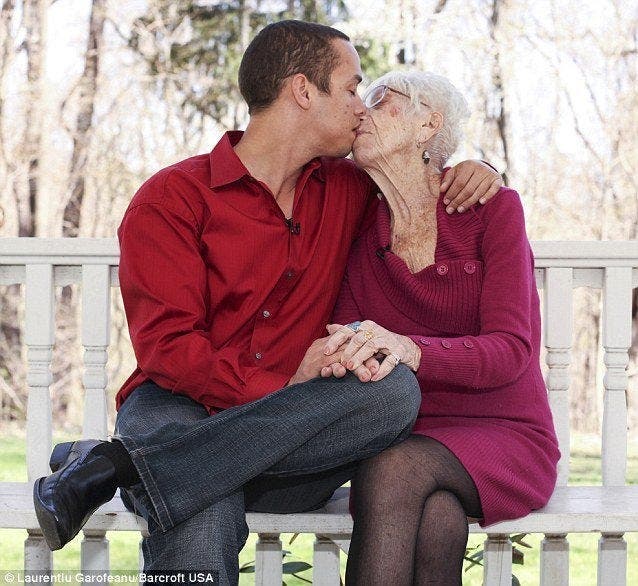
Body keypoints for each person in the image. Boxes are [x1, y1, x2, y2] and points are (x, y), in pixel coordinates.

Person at [32, 22, 503, 584]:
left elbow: (421, 180)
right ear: (304, 92)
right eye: (352, 88)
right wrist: (282, 376)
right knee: (199, 510)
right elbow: (170, 352)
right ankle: (164, 468)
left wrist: (483, 170)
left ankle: (121, 466)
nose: (361, 107)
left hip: (294, 436)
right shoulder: (173, 199)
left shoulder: (349, 189)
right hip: (180, 407)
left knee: (394, 392)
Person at [320, 70, 560, 585]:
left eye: (382, 100)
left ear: (430, 123)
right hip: (406, 429)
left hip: (504, 431)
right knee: (436, 520)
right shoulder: (362, 232)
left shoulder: (491, 210)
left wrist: (410, 350)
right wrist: (349, 351)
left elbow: (510, 350)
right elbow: (345, 332)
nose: (363, 109)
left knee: (391, 469)